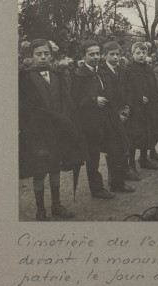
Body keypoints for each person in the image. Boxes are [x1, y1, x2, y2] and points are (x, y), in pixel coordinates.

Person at [19, 39, 87, 220]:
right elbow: (27, 108)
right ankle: (40, 209)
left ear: (51, 54)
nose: (42, 57)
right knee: (40, 171)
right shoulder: (24, 78)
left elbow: (67, 101)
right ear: (31, 56)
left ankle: (56, 205)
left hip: (58, 132)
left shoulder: (58, 75)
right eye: (38, 54)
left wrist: (69, 122)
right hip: (38, 133)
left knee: (55, 167)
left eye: (46, 54)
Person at [70, 40, 131, 199]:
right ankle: (97, 189)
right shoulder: (79, 76)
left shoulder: (102, 72)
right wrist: (92, 100)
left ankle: (117, 183)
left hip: (108, 118)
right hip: (90, 123)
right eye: (91, 54)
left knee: (116, 149)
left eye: (97, 53)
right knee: (93, 156)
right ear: (83, 56)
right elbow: (74, 101)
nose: (95, 57)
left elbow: (111, 93)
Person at [99, 41, 139, 183]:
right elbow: (104, 94)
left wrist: (128, 107)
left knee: (126, 143)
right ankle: (113, 178)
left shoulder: (122, 70)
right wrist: (116, 114)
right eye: (112, 54)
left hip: (124, 112)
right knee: (113, 147)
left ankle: (124, 171)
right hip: (111, 115)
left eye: (117, 54)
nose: (115, 57)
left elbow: (129, 89)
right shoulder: (101, 71)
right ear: (104, 55)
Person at [125, 42, 158, 171]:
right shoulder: (128, 68)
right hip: (135, 109)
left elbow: (152, 85)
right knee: (134, 135)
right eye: (138, 53)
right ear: (133, 54)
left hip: (148, 107)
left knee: (147, 133)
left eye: (144, 53)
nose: (141, 56)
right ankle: (131, 164)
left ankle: (143, 158)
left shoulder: (148, 68)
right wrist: (139, 98)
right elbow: (127, 88)